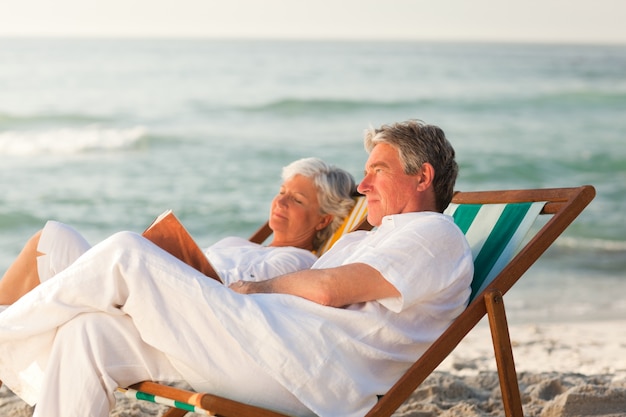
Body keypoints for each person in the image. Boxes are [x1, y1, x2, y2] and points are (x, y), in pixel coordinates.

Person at [0, 120, 473, 417]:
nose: (364, 183)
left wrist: (258, 287)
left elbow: (328, 289)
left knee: (125, 251)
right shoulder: (372, 237)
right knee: (91, 333)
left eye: (378, 170)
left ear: (422, 176)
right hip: (266, 350)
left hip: (301, 369)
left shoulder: (433, 234)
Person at [0, 156, 357, 305]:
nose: (280, 203)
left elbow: (231, 297)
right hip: (144, 288)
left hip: (160, 306)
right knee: (50, 239)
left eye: (296, 200)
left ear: (325, 219)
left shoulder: (295, 263)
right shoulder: (242, 244)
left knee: (56, 239)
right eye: (281, 193)